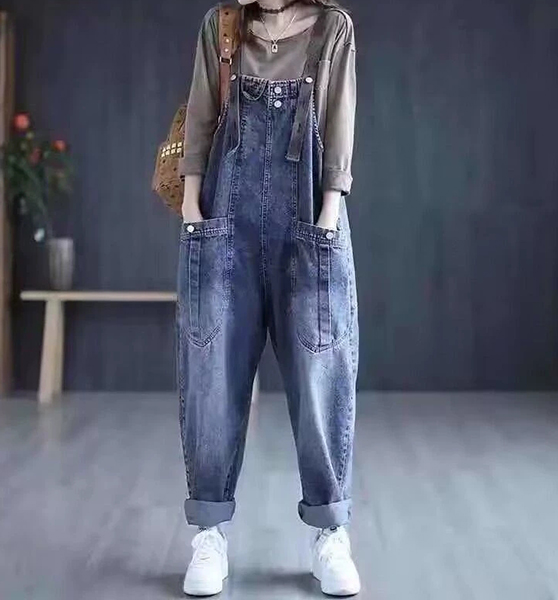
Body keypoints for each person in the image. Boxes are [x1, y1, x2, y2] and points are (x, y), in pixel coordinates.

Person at [176, 0, 360, 595]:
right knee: (212, 377)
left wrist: (330, 210)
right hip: (222, 221)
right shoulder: (222, 26)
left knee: (320, 376)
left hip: (310, 218)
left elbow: (339, 118)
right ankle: (209, 533)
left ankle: (330, 533)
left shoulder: (333, 28)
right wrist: (192, 202)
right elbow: (202, 112)